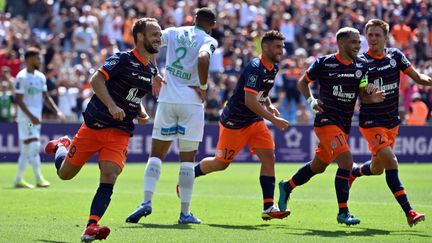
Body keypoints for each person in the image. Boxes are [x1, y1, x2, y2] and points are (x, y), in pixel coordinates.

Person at [44, 18, 162, 242]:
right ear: (139, 37)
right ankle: (62, 145)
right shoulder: (122, 59)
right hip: (95, 125)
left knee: (109, 175)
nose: (159, 38)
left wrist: (140, 112)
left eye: (159, 34)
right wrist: (111, 105)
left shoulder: (152, 69)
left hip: (120, 131)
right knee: (65, 174)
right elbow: (96, 79)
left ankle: (91, 226)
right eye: (154, 34)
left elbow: (132, 95)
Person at [277, 27, 384, 226]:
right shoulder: (324, 63)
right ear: (341, 43)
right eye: (354, 42)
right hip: (325, 121)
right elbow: (302, 83)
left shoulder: (362, 65)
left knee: (318, 166)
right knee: (346, 162)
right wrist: (311, 101)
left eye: (359, 43)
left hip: (343, 123)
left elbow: (362, 97)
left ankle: (287, 186)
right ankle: (343, 212)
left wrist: (372, 98)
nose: (358, 46)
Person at [125, 8, 218, 225]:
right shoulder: (208, 39)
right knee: (187, 160)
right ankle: (184, 213)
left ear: (194, 19)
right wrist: (203, 86)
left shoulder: (174, 32)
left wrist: (154, 73)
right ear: (213, 24)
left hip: (167, 98)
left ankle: (146, 202)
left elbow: (148, 44)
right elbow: (203, 58)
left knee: (156, 155)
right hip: (191, 102)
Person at [191, 30, 290, 221]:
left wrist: (269, 105)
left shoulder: (273, 67)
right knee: (221, 164)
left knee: (269, 157)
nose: (282, 50)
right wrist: (273, 119)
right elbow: (250, 101)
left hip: (253, 121)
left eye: (283, 46)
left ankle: (268, 207)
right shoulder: (255, 67)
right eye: (278, 46)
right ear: (266, 46)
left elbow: (262, 92)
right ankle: (188, 175)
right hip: (234, 123)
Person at [350, 19, 432, 227]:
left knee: (377, 168)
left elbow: (417, 77)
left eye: (378, 35)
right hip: (371, 122)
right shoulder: (361, 63)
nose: (373, 39)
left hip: (391, 122)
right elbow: (361, 95)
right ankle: (409, 212)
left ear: (386, 37)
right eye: (370, 35)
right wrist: (371, 98)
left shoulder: (396, 56)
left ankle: (354, 172)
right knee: (391, 163)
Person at [14, 47, 65, 189]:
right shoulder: (21, 77)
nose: (40, 60)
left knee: (26, 150)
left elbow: (46, 97)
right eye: (37, 58)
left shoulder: (40, 77)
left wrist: (57, 111)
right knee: (34, 145)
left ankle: (18, 179)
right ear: (29, 59)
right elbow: (18, 100)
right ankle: (39, 178)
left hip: (36, 118)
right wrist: (31, 116)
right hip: (27, 119)